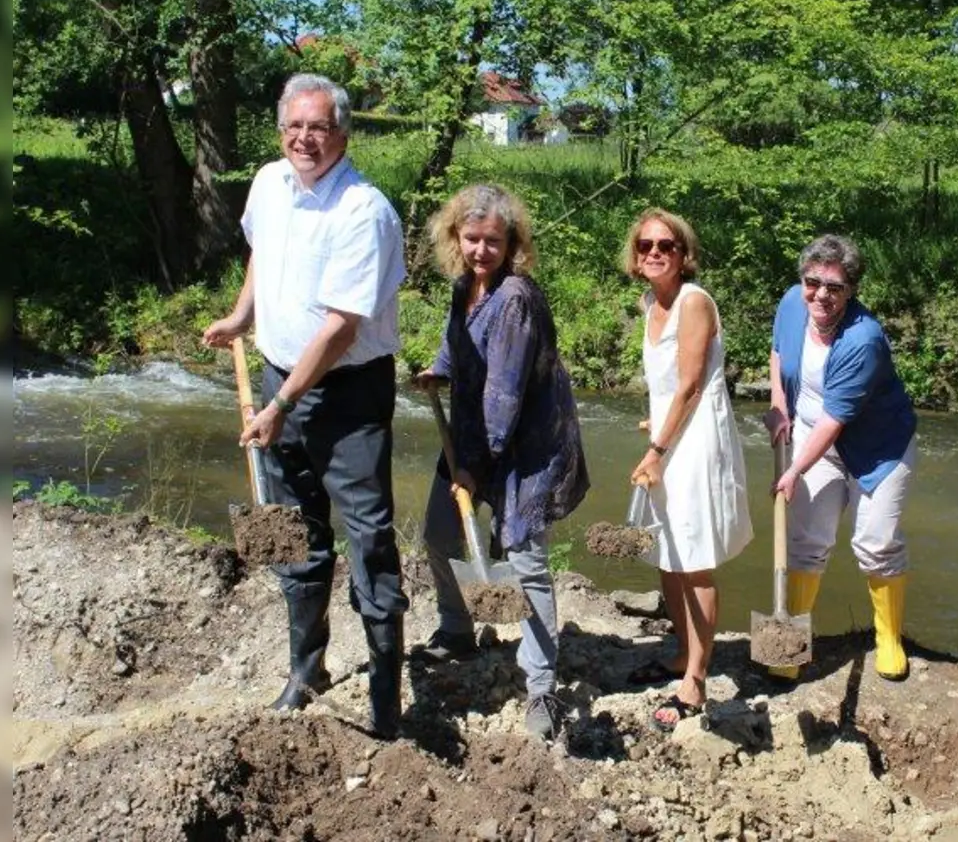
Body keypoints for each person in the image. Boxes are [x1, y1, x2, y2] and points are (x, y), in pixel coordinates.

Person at [202, 73, 409, 739]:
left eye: (318, 127)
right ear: (281, 129)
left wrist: (284, 404)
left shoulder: (364, 211)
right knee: (293, 531)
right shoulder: (269, 182)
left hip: (347, 394)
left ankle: (385, 693)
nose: (305, 138)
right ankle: (306, 669)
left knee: (370, 536)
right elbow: (263, 251)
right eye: (295, 126)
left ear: (343, 135)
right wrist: (241, 317)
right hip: (278, 378)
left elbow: (341, 327)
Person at [412, 184, 589, 741]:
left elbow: (504, 395)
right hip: (473, 438)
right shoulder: (467, 285)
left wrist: (472, 466)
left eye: (493, 240)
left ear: (512, 242)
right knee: (439, 534)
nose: (481, 250)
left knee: (527, 561)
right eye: (472, 238)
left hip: (524, 448)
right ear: (455, 237)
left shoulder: (514, 298)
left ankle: (541, 688)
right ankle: (457, 629)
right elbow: (456, 341)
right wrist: (439, 370)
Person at [620, 208, 753, 731]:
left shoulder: (694, 303)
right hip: (670, 434)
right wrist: (656, 422)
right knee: (666, 548)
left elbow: (694, 386)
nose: (654, 252)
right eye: (646, 245)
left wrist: (657, 448)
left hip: (693, 443)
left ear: (684, 254)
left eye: (666, 246)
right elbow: (670, 384)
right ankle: (681, 650)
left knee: (694, 556)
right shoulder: (649, 302)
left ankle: (695, 681)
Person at [763, 234, 918, 682]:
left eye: (835, 287)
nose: (821, 295)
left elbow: (836, 419)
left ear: (851, 291)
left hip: (878, 447)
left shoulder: (862, 339)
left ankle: (888, 638)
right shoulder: (793, 304)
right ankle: (789, 642)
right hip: (813, 431)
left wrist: (794, 468)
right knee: (808, 538)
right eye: (814, 282)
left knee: (875, 541)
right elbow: (778, 355)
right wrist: (780, 407)